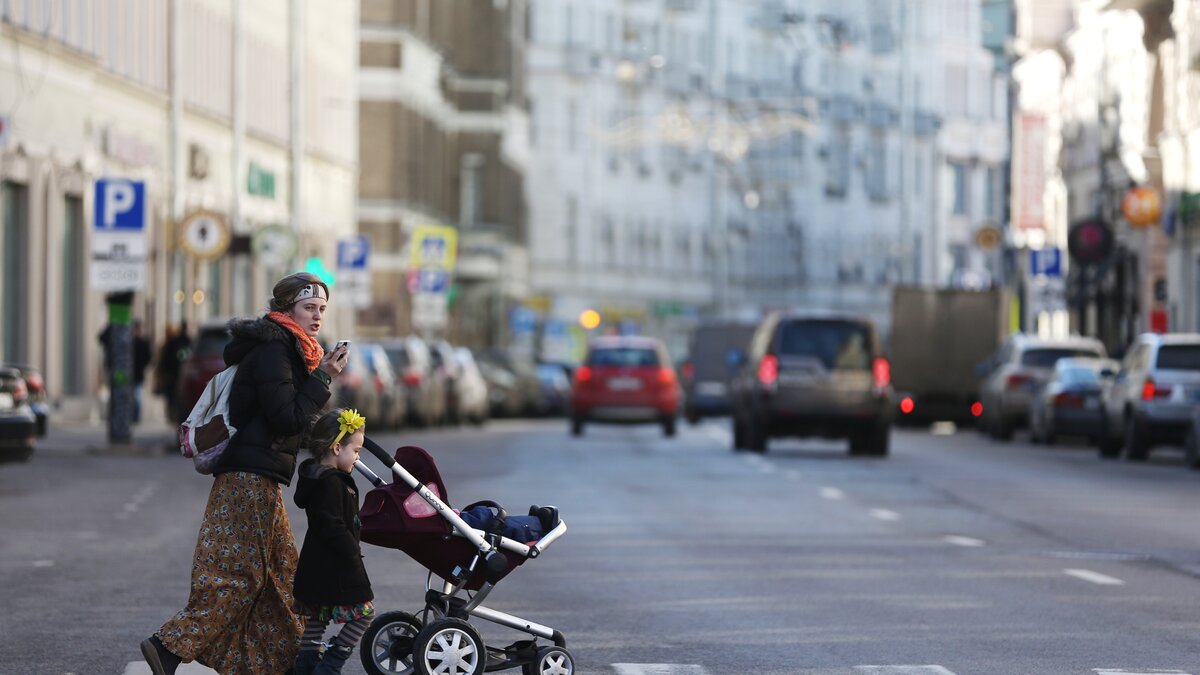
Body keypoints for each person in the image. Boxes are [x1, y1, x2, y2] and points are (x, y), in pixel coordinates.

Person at [141, 272, 350, 675]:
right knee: (237, 576)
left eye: (322, 309)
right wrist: (323, 378)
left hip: (262, 477)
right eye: (309, 308)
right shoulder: (273, 352)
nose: (318, 316)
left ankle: (289, 658)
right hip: (247, 479)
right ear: (286, 308)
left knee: (283, 574)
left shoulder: (290, 350)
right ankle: (167, 647)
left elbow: (290, 418)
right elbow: (286, 417)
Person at [292, 408, 374, 675]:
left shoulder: (317, 479)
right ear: (337, 448)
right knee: (364, 614)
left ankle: (305, 666)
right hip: (336, 564)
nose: (358, 457)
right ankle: (331, 665)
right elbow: (331, 524)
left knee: (317, 615)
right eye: (357, 450)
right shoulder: (331, 483)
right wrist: (351, 551)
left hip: (316, 564)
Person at [154, 321, 192, 422]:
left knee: (171, 396)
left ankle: (172, 414)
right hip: (176, 374)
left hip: (172, 374)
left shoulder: (172, 343)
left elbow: (164, 360)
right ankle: (174, 413)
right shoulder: (188, 341)